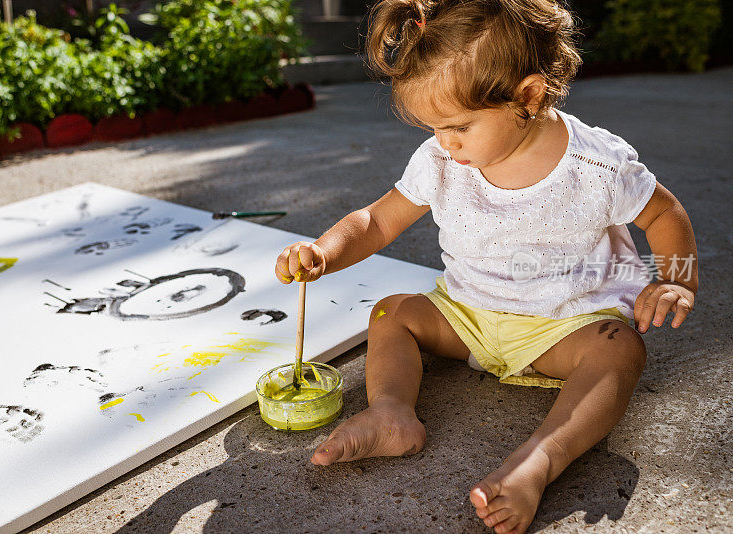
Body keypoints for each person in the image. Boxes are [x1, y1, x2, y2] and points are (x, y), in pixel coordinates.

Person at [274, 0, 698, 532]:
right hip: (468, 316)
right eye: (433, 128)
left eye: (458, 127)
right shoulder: (439, 160)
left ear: (527, 95)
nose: (445, 144)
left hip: (564, 327)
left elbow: (664, 211)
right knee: (392, 313)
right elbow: (377, 221)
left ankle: (538, 460)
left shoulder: (596, 166)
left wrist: (676, 281)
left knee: (620, 351)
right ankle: (391, 412)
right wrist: (324, 252)